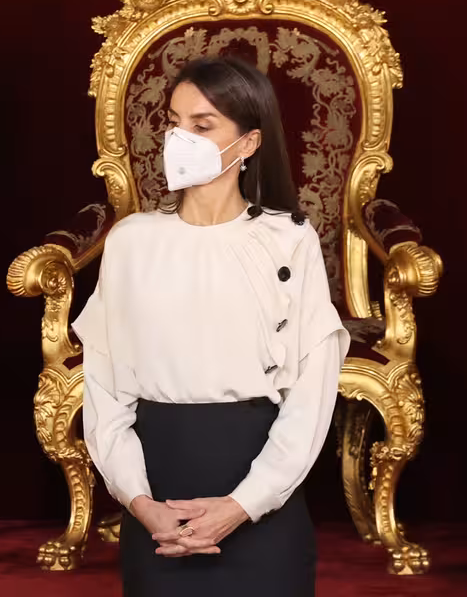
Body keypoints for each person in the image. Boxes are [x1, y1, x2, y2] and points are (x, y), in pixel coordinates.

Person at [73, 56, 349, 596]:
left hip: (261, 493)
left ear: (248, 143)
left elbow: (311, 394)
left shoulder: (290, 240)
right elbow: (105, 389)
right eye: (173, 123)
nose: (180, 139)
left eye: (202, 126)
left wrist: (243, 504)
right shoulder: (131, 242)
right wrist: (140, 502)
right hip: (159, 497)